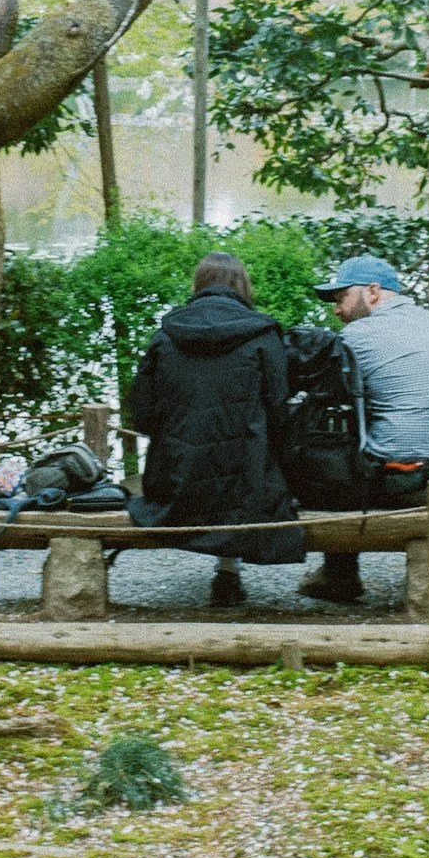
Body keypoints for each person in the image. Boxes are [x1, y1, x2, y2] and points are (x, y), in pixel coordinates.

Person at [299, 254, 429, 604]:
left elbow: (335, 408)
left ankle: (339, 575)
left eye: (342, 297)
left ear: (373, 291)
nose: (337, 310)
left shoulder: (357, 336)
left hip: (415, 481)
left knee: (336, 459)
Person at [125, 251, 308, 606]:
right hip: (245, 477)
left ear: (198, 284)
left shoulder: (166, 335)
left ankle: (227, 571)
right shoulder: (262, 334)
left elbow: (142, 412)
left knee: (219, 474)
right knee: (246, 473)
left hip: (176, 479)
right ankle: (228, 571)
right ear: (242, 285)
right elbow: (279, 409)